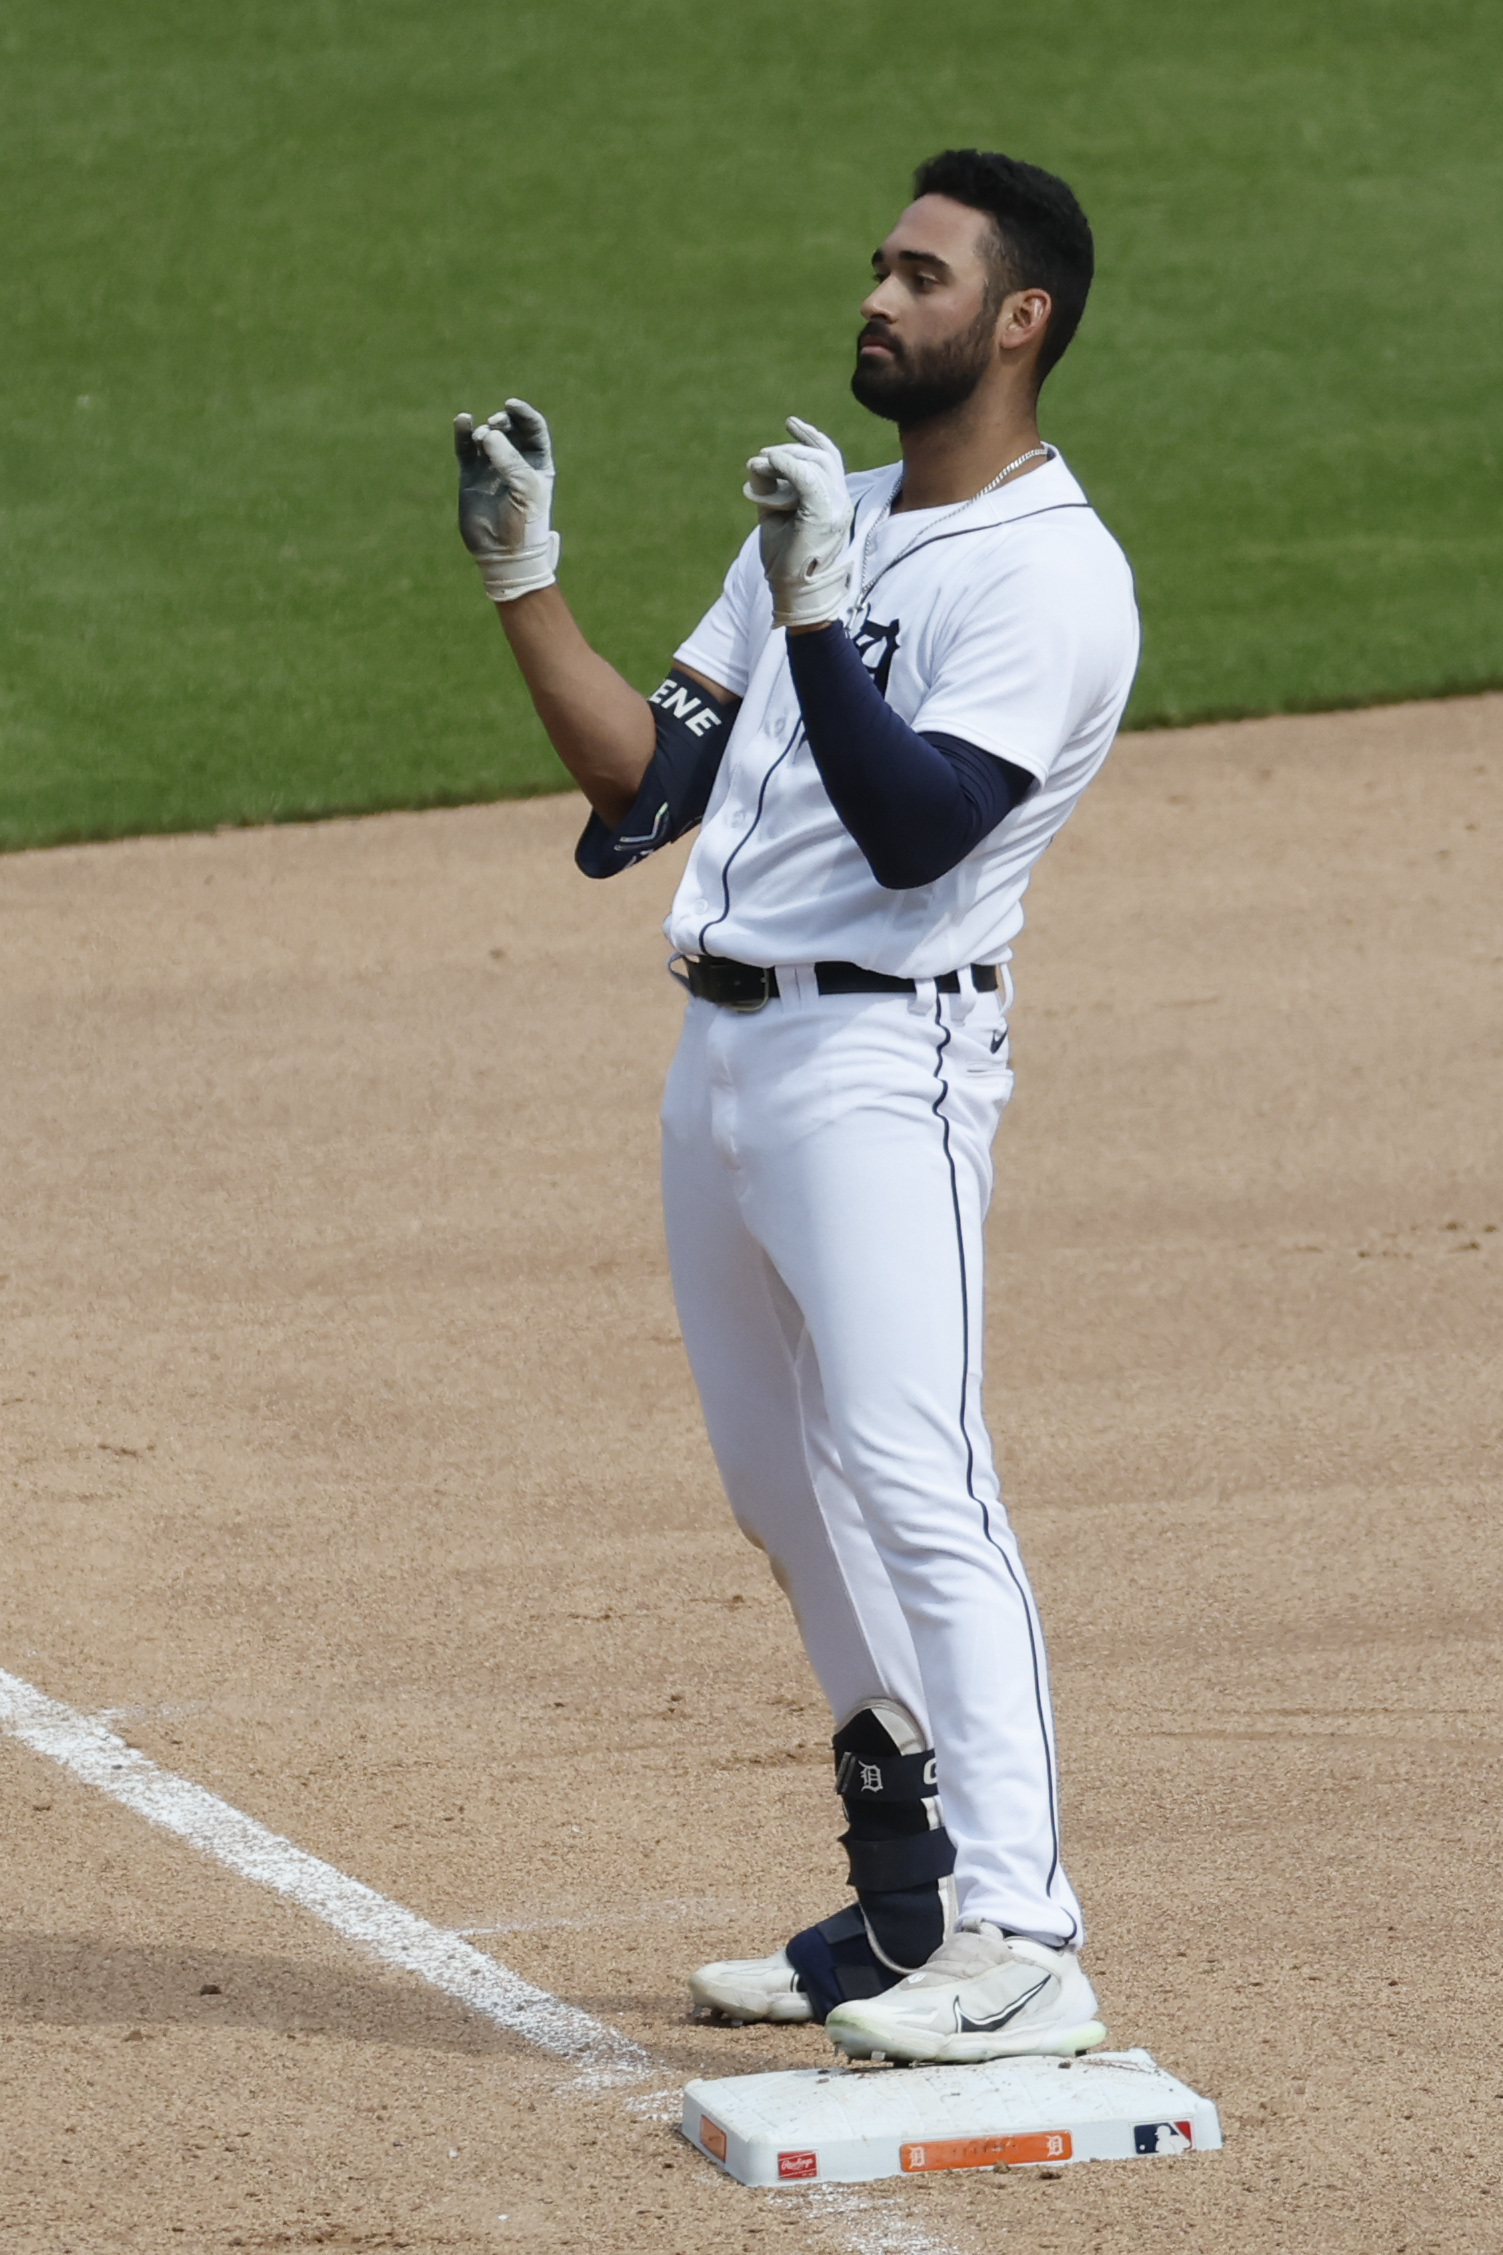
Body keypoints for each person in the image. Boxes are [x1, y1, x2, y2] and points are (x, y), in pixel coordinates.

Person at [453, 147, 1139, 2066]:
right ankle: (906, 1895)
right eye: (876, 267)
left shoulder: (1055, 577)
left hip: (883, 1062)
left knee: (922, 1476)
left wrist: (822, 617)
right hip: (725, 1057)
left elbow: (922, 835)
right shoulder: (825, 515)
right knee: (782, 1486)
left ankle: (1025, 1928)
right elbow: (643, 796)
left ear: (1020, 321)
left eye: (921, 276)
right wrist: (528, 577)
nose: (876, 297)